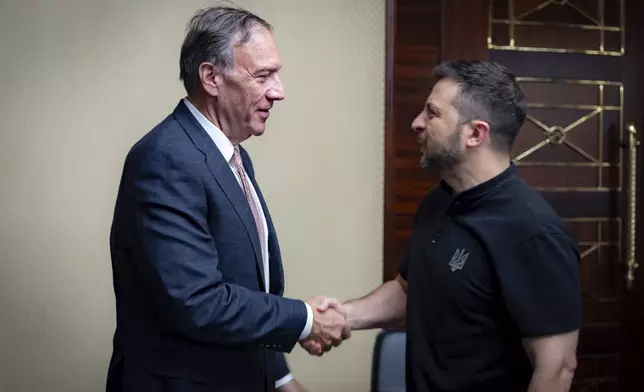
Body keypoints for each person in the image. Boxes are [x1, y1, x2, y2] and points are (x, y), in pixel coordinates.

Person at [106, 6, 348, 392]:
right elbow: (199, 302)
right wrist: (304, 319)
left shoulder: (231, 155)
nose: (279, 91)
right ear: (211, 77)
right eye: (263, 75)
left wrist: (279, 375)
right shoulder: (166, 159)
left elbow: (244, 291)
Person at [311, 60, 581, 392]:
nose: (416, 123)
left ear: (475, 133)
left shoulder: (534, 232)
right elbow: (413, 292)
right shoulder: (437, 202)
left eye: (432, 114)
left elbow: (556, 369)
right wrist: (343, 316)